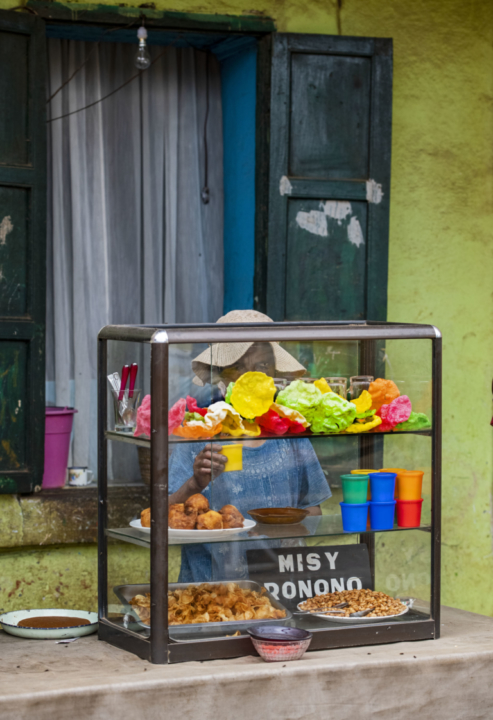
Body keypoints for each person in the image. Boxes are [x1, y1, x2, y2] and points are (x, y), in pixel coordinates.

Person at [168, 310, 331, 582]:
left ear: (275, 374)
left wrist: (286, 533)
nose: (251, 376)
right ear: (220, 375)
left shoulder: (290, 431)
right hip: (210, 590)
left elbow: (313, 509)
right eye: (238, 366)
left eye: (263, 365)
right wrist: (195, 483)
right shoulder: (201, 432)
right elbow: (162, 516)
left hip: (281, 584)